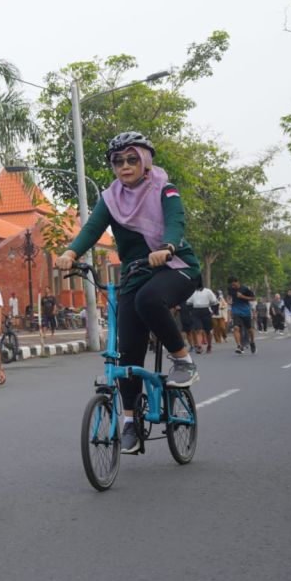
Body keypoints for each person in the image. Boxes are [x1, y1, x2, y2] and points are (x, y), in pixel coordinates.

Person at [55, 131, 201, 454]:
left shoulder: (165, 188)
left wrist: (167, 246)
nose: (124, 166)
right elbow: (92, 229)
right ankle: (130, 421)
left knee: (149, 300)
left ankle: (183, 360)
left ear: (145, 160)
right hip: (136, 274)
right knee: (127, 353)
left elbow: (177, 221)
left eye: (131, 159)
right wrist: (70, 253)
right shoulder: (111, 198)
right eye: (118, 161)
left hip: (175, 266)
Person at [228, 276, 257, 354]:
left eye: (234, 285)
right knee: (236, 328)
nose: (233, 286)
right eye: (231, 285)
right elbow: (229, 296)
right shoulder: (230, 288)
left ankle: (252, 342)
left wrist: (242, 296)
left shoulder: (245, 289)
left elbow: (254, 298)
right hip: (236, 311)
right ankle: (239, 346)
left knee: (249, 329)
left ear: (237, 282)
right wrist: (229, 300)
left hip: (245, 311)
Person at [186, 284, 217, 354]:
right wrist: (191, 312)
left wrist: (213, 311)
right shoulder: (193, 292)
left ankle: (209, 345)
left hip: (206, 311)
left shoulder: (208, 291)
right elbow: (188, 303)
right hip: (196, 312)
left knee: (208, 331)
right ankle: (199, 346)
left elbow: (214, 302)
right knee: (198, 329)